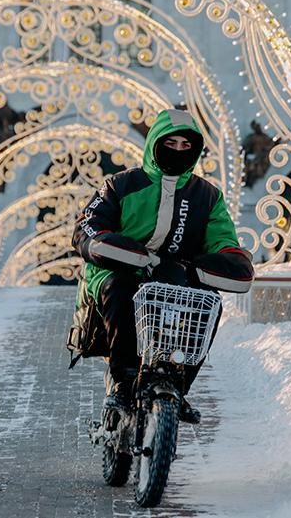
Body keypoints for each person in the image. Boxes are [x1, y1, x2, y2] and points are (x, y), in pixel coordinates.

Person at [71, 109, 253, 423]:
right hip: (119, 270)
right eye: (171, 143)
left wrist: (217, 264)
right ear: (155, 143)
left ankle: (178, 385)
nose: (179, 150)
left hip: (177, 277)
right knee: (120, 287)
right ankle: (122, 381)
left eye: (187, 145)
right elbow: (88, 228)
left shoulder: (207, 196)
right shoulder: (122, 185)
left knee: (208, 302)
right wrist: (130, 256)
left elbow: (223, 240)